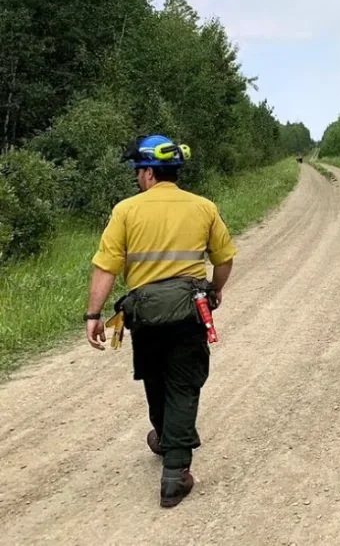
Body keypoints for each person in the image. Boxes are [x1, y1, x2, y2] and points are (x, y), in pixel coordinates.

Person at [83, 134, 237, 508]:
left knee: (155, 377)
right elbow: (225, 257)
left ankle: (168, 439)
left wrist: (93, 314)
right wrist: (215, 292)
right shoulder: (203, 207)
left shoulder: (126, 211)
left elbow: (106, 266)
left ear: (149, 172)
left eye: (139, 172)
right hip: (189, 311)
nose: (138, 178)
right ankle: (175, 474)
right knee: (183, 384)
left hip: (146, 314)